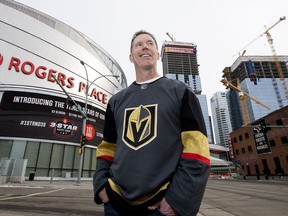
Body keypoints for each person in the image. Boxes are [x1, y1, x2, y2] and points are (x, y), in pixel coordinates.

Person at [93, 30, 210, 216]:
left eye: (150, 43)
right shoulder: (115, 102)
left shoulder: (181, 92)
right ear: (131, 57)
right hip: (115, 203)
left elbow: (198, 152)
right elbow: (107, 148)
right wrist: (101, 186)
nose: (144, 46)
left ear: (157, 54)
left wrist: (177, 200)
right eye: (138, 44)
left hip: (162, 207)